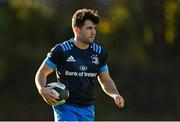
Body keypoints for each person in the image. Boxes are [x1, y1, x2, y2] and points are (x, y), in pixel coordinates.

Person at [35, 8, 124, 121]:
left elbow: (106, 80)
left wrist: (115, 94)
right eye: (89, 28)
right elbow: (42, 72)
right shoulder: (62, 50)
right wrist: (41, 89)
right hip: (65, 107)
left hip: (88, 109)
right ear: (77, 30)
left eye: (94, 28)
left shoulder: (99, 52)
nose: (93, 32)